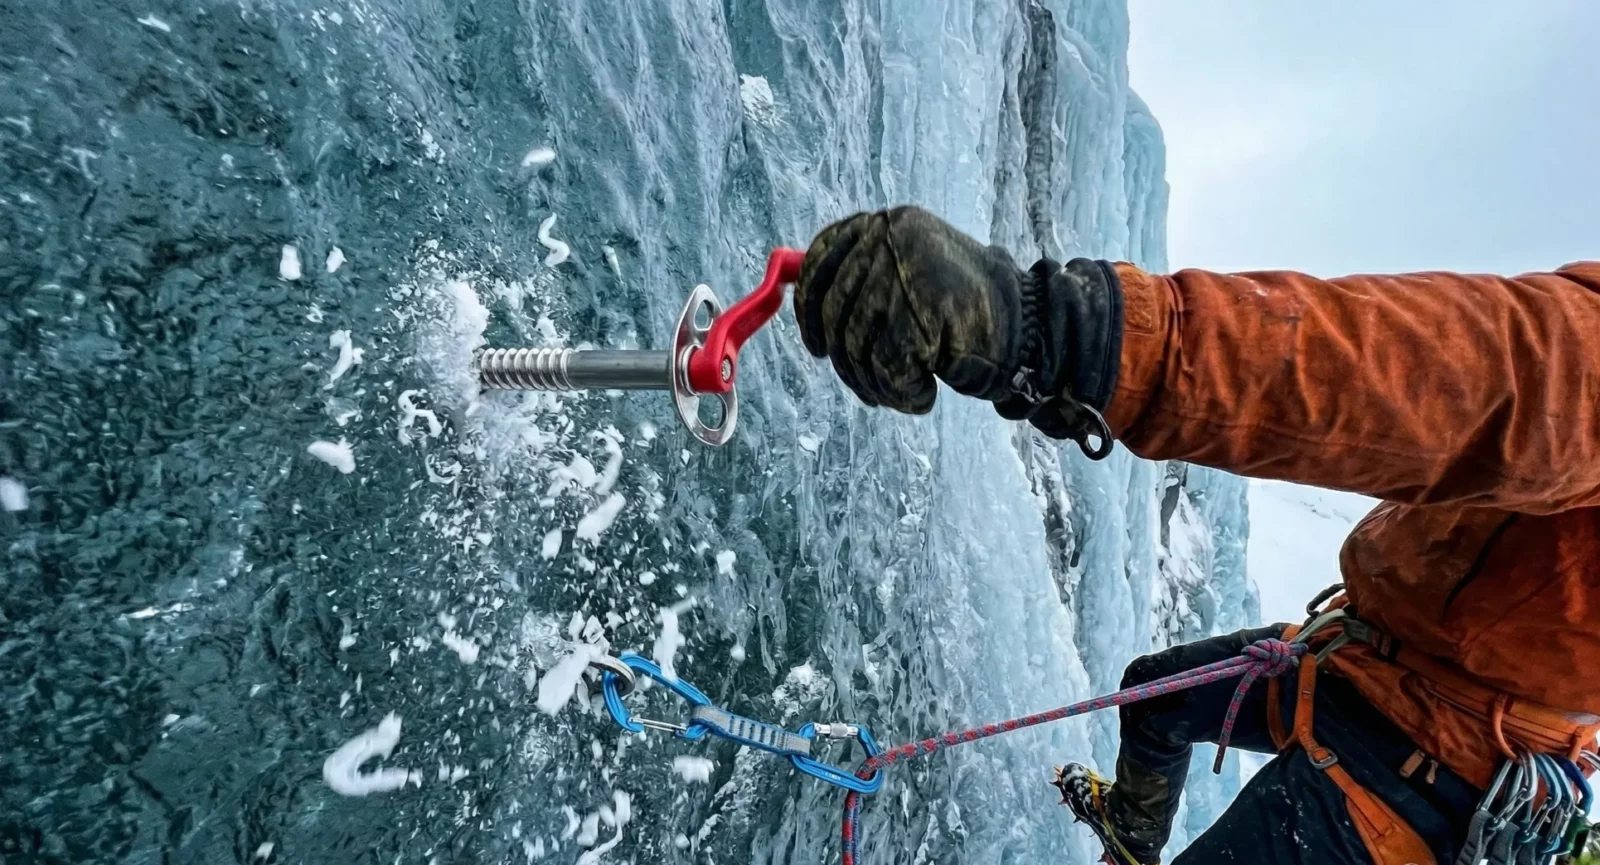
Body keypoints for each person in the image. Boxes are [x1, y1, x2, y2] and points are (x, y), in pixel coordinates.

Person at [791, 207, 1600, 865]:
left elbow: (1411, 377)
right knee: (1157, 697)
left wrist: (1057, 332)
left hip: (1424, 776)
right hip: (1366, 669)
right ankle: (1134, 838)